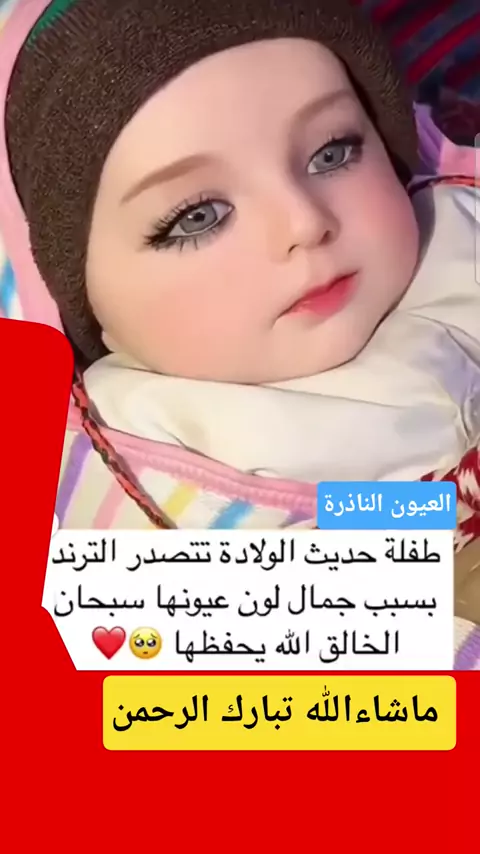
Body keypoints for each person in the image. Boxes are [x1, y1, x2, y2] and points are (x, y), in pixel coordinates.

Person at [0, 0, 479, 664]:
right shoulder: (128, 510)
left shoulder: (454, 228)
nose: (303, 222)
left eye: (332, 151)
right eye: (197, 216)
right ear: (83, 303)